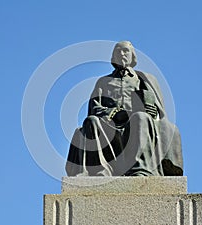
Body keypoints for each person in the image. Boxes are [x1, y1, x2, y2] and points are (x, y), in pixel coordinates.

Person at [66, 41, 183, 176]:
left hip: (137, 124)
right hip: (109, 124)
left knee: (141, 117)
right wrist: (114, 113)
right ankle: (100, 170)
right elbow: (94, 108)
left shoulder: (144, 79)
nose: (122, 54)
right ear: (113, 57)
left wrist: (153, 111)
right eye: (118, 51)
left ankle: (140, 169)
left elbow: (158, 111)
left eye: (125, 51)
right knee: (91, 121)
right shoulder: (103, 82)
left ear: (132, 56)